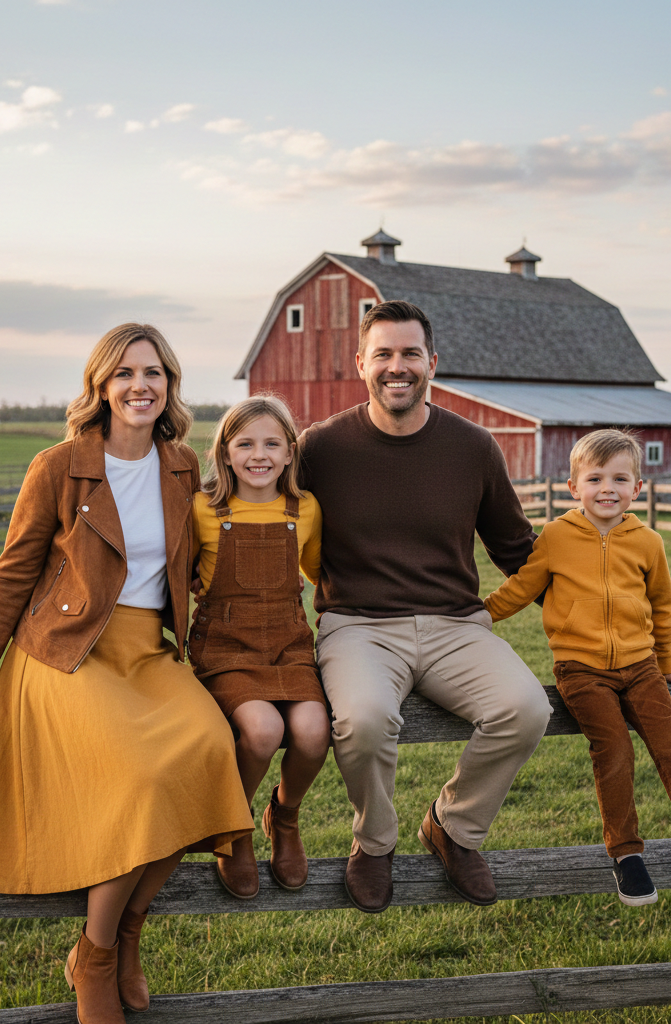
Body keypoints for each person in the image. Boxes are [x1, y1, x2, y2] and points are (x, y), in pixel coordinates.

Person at [0, 324, 253, 1024]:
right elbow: (11, 577)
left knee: (213, 751)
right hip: (66, 652)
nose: (140, 386)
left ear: (170, 384)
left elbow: (228, 554)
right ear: (99, 386)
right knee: (140, 779)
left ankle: (127, 931)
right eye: (123, 374)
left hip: (148, 655)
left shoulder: (182, 466)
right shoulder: (58, 466)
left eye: (153, 372)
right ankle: (94, 954)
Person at [299, 299, 552, 914]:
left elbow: (517, 547)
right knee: (362, 720)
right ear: (360, 363)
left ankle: (453, 828)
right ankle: (375, 843)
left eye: (410, 353)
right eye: (382, 354)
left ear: (431, 362)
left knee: (525, 709)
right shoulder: (320, 448)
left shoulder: (472, 447)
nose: (397, 366)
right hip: (357, 625)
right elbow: (262, 517)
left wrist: (605, 584)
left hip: (454, 626)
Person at [484, 428, 671, 906]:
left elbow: (663, 607)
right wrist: (480, 613)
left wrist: (666, 668)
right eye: (595, 478)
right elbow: (523, 586)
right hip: (581, 671)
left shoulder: (648, 542)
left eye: (619, 479)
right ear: (574, 488)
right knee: (614, 750)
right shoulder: (557, 537)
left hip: (642, 666)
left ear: (637, 489)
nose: (606, 488)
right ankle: (626, 854)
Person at [189, 396, 330, 899]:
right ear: (224, 453)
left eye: (272, 443)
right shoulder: (203, 509)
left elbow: (316, 574)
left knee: (315, 732)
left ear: (290, 452)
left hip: (288, 643)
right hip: (226, 645)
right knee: (264, 729)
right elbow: (181, 577)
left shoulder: (305, 509)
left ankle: (284, 816)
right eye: (244, 443)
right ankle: (233, 825)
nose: (259, 455)